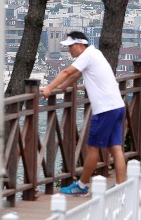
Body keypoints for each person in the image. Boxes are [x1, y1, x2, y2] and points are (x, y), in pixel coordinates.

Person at [41, 31, 126, 194]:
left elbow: (67, 72)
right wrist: (63, 87)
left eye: (70, 47)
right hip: (118, 106)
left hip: (105, 109)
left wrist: (49, 88)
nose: (69, 50)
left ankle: (81, 186)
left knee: (92, 148)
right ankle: (121, 186)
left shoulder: (87, 55)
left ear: (80, 44)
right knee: (115, 148)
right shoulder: (96, 53)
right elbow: (77, 75)